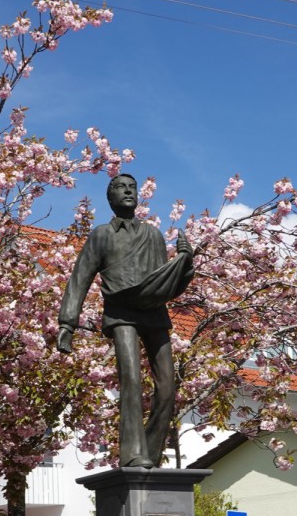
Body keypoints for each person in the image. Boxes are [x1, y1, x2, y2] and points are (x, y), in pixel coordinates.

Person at [57, 174, 194, 468]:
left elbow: (164, 283)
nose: (128, 191)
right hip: (121, 313)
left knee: (168, 386)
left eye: (132, 187)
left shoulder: (153, 235)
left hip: (153, 312)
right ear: (110, 198)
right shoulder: (102, 235)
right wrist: (67, 324)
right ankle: (133, 453)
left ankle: (151, 452)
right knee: (130, 379)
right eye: (121, 187)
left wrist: (185, 262)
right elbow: (80, 278)